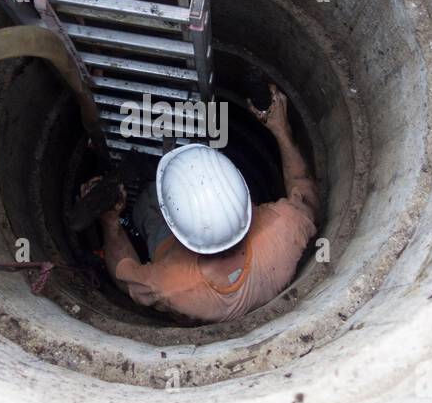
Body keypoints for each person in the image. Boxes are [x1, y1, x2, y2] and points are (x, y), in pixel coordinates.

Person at [86, 84, 319, 324]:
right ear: (242, 195)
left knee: (148, 202)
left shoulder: (169, 284)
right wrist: (281, 130)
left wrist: (111, 222)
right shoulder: (285, 228)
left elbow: (124, 278)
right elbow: (305, 193)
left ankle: (146, 205)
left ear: (175, 227)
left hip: (180, 273)